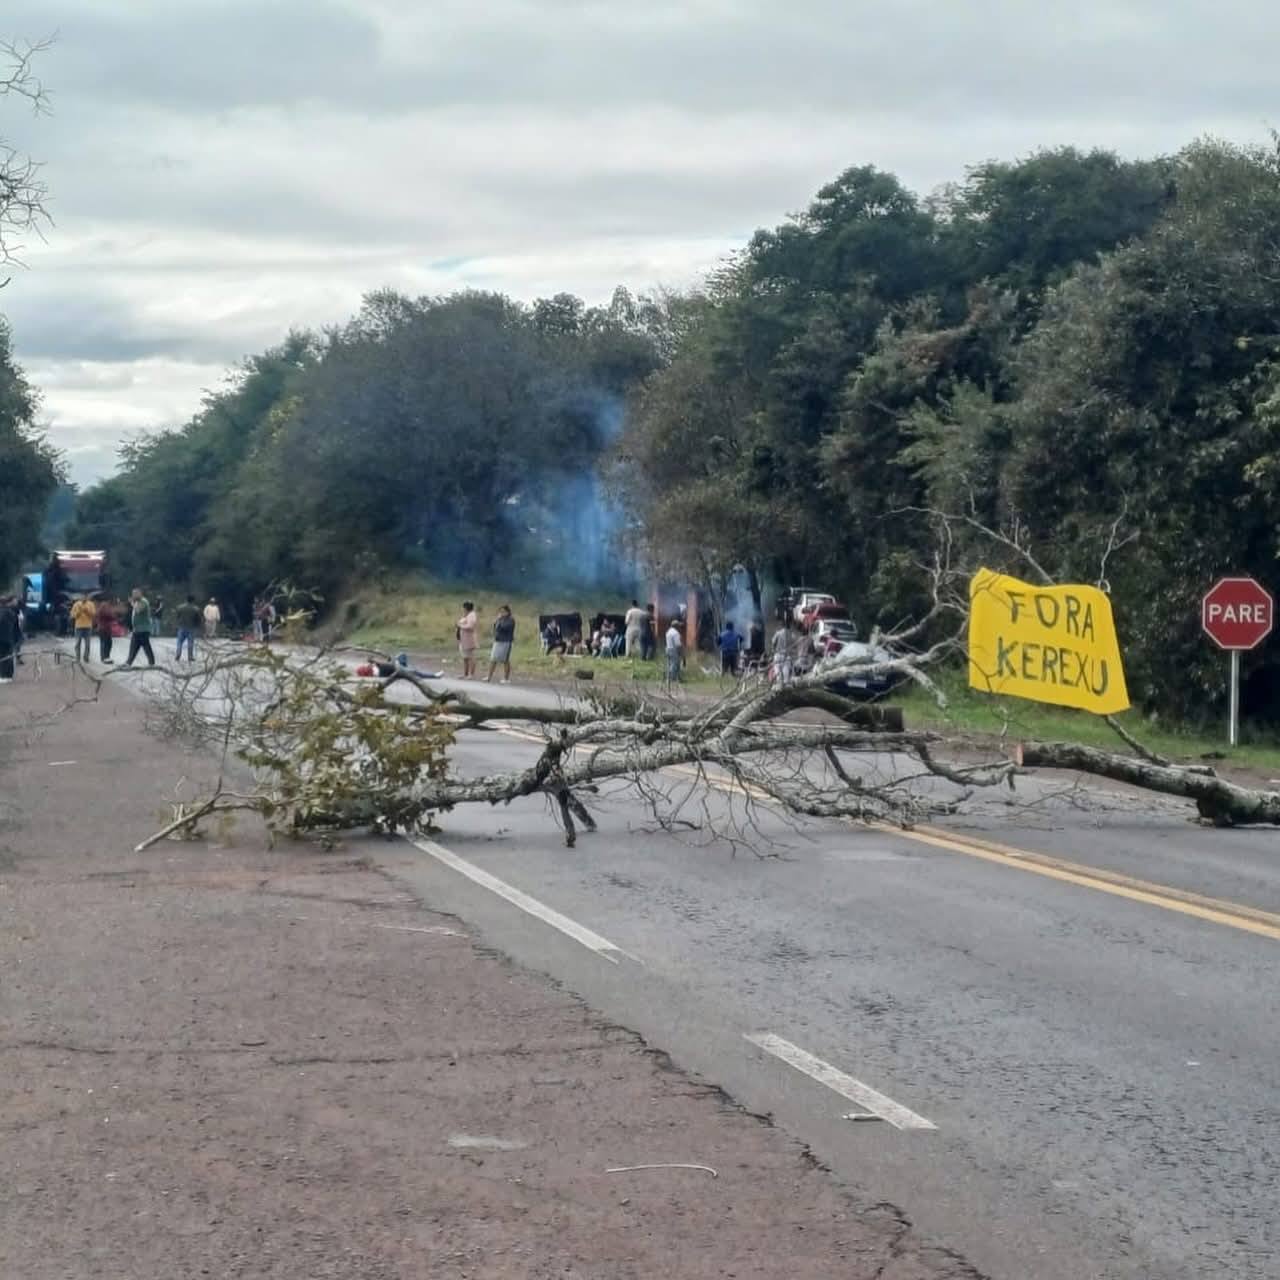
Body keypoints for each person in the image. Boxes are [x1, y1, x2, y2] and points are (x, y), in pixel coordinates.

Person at [124, 588, 156, 667]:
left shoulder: (143, 602)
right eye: (133, 594)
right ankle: (129, 662)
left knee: (145, 646)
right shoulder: (137, 602)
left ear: (140, 594)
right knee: (134, 646)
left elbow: (138, 610)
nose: (133, 595)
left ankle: (151, 662)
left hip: (143, 629)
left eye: (135, 594)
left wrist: (132, 603)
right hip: (137, 629)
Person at [487, 604, 516, 683]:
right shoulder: (500, 619)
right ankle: (489, 676)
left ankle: (506, 678)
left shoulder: (510, 620)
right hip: (498, 641)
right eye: (500, 611)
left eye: (503, 611)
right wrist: (497, 621)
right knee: (493, 659)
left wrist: (499, 621)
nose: (501, 613)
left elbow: (504, 628)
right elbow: (495, 628)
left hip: (506, 642)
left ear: (507, 612)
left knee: (505, 660)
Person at [69, 594, 97, 663]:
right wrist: (78, 612)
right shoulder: (76, 604)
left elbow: (93, 614)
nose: (83, 598)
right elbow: (72, 615)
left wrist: (86, 611)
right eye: (82, 596)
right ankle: (77, 658)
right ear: (80, 597)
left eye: (85, 596)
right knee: (77, 643)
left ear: (87, 597)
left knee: (87, 644)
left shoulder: (91, 604)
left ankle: (86, 657)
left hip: (88, 626)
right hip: (78, 626)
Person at [174, 594, 202, 662]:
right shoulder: (196, 609)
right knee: (190, 642)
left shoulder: (180, 607)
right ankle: (190, 656)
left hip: (181, 627)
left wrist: (177, 624)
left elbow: (177, 616)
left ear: (186, 599)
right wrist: (198, 626)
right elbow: (199, 619)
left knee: (179, 642)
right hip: (191, 628)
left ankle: (178, 653)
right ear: (193, 600)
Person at [456, 600, 478, 678]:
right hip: (463, 639)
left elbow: (470, 626)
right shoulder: (466, 615)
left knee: (471, 657)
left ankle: (471, 674)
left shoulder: (472, 615)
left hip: (469, 639)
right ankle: (465, 674)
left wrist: (460, 626)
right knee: (465, 657)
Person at [0, 596, 18, 682]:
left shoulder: (3, 612)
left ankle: (3, 676)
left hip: (3, 638)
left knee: (3, 656)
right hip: (8, 637)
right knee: (9, 656)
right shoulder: (10, 612)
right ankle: (8, 675)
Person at [96, 597, 116, 663]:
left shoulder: (102, 606)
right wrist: (113, 614)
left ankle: (105, 657)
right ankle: (105, 658)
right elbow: (109, 615)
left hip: (103, 628)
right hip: (104, 628)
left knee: (106, 643)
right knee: (106, 643)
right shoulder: (104, 606)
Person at [664, 617, 683, 685]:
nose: (679, 627)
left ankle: (670, 678)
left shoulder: (668, 632)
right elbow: (678, 644)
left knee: (669, 665)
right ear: (675, 626)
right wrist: (681, 652)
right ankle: (671, 679)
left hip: (668, 649)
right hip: (673, 650)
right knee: (674, 665)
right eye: (678, 625)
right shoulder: (676, 633)